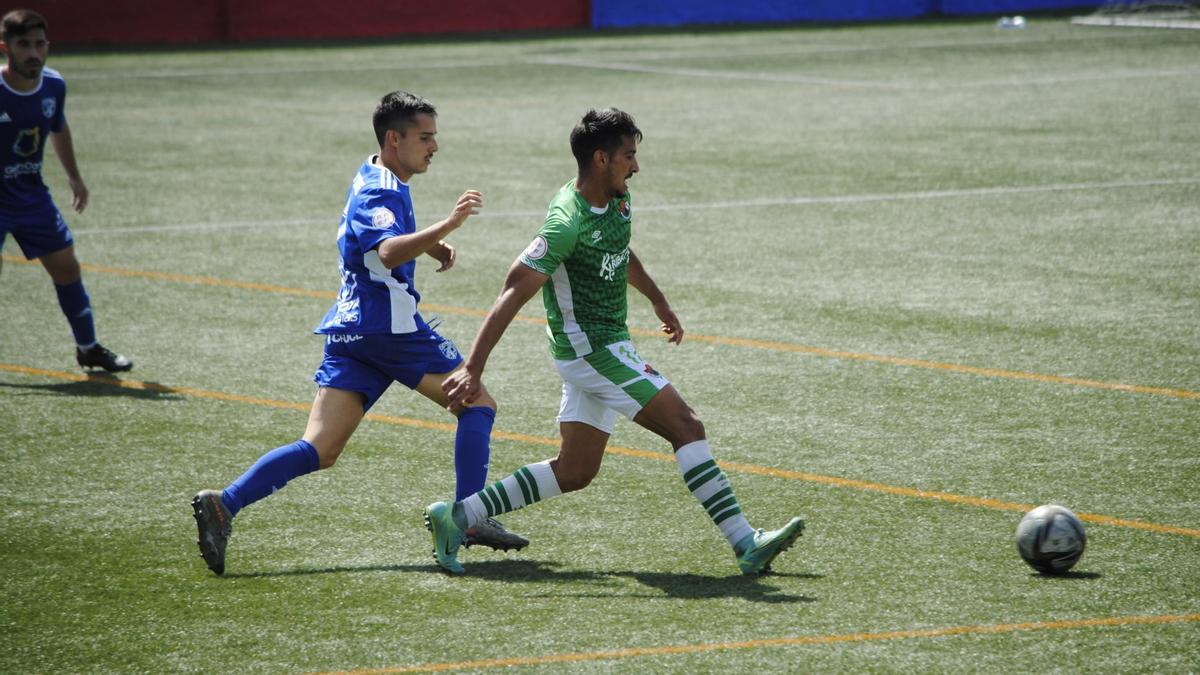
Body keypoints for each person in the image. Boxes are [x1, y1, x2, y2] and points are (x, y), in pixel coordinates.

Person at [427, 108, 803, 576]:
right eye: (630, 156)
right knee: (686, 424)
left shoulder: (618, 198)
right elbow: (513, 288)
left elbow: (619, 251)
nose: (637, 167)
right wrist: (473, 367)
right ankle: (746, 541)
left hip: (606, 346)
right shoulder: (566, 221)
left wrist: (659, 301)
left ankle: (458, 517)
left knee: (575, 470)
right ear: (602, 158)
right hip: (591, 352)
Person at [191, 91, 527, 576]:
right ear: (395, 139)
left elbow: (365, 240)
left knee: (320, 449)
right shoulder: (382, 188)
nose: (434, 147)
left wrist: (431, 246)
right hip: (388, 330)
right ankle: (468, 518)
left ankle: (225, 503)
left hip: (351, 331)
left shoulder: (372, 172)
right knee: (476, 404)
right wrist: (447, 224)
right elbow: (388, 251)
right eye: (425, 137)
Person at [0, 9, 131, 372]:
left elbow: (58, 127)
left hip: (30, 194)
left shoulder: (54, 85)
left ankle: (88, 347)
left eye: (40, 45)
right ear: (5, 48)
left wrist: (74, 176)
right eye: (24, 45)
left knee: (67, 268)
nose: (34, 54)